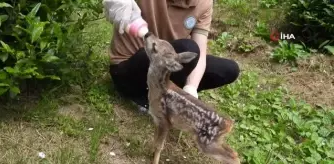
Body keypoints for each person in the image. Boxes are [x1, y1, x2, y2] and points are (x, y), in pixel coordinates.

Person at [103, 0, 240, 113]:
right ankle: (141, 97)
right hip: (130, 67)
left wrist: (191, 88)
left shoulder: (204, 3)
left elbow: (201, 52)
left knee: (227, 69)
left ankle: (171, 95)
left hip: (168, 61)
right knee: (188, 49)